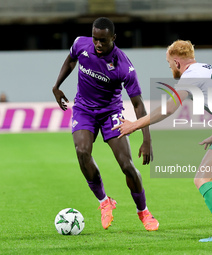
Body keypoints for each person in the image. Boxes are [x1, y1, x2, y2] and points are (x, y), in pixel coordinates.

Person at [113, 40, 212, 241]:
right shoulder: (211, 70)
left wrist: (135, 124)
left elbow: (169, 108)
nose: (170, 69)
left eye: (169, 64)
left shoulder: (190, 75)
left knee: (202, 179)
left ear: (177, 62)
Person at [52, 17, 159, 231]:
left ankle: (143, 211)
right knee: (82, 152)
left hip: (111, 112)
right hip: (83, 109)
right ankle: (104, 201)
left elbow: (138, 105)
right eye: (95, 39)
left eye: (103, 41)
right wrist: (57, 86)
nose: (98, 45)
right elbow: (71, 60)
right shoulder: (81, 44)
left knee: (127, 165)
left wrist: (146, 139)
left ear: (113, 38)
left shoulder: (124, 66)